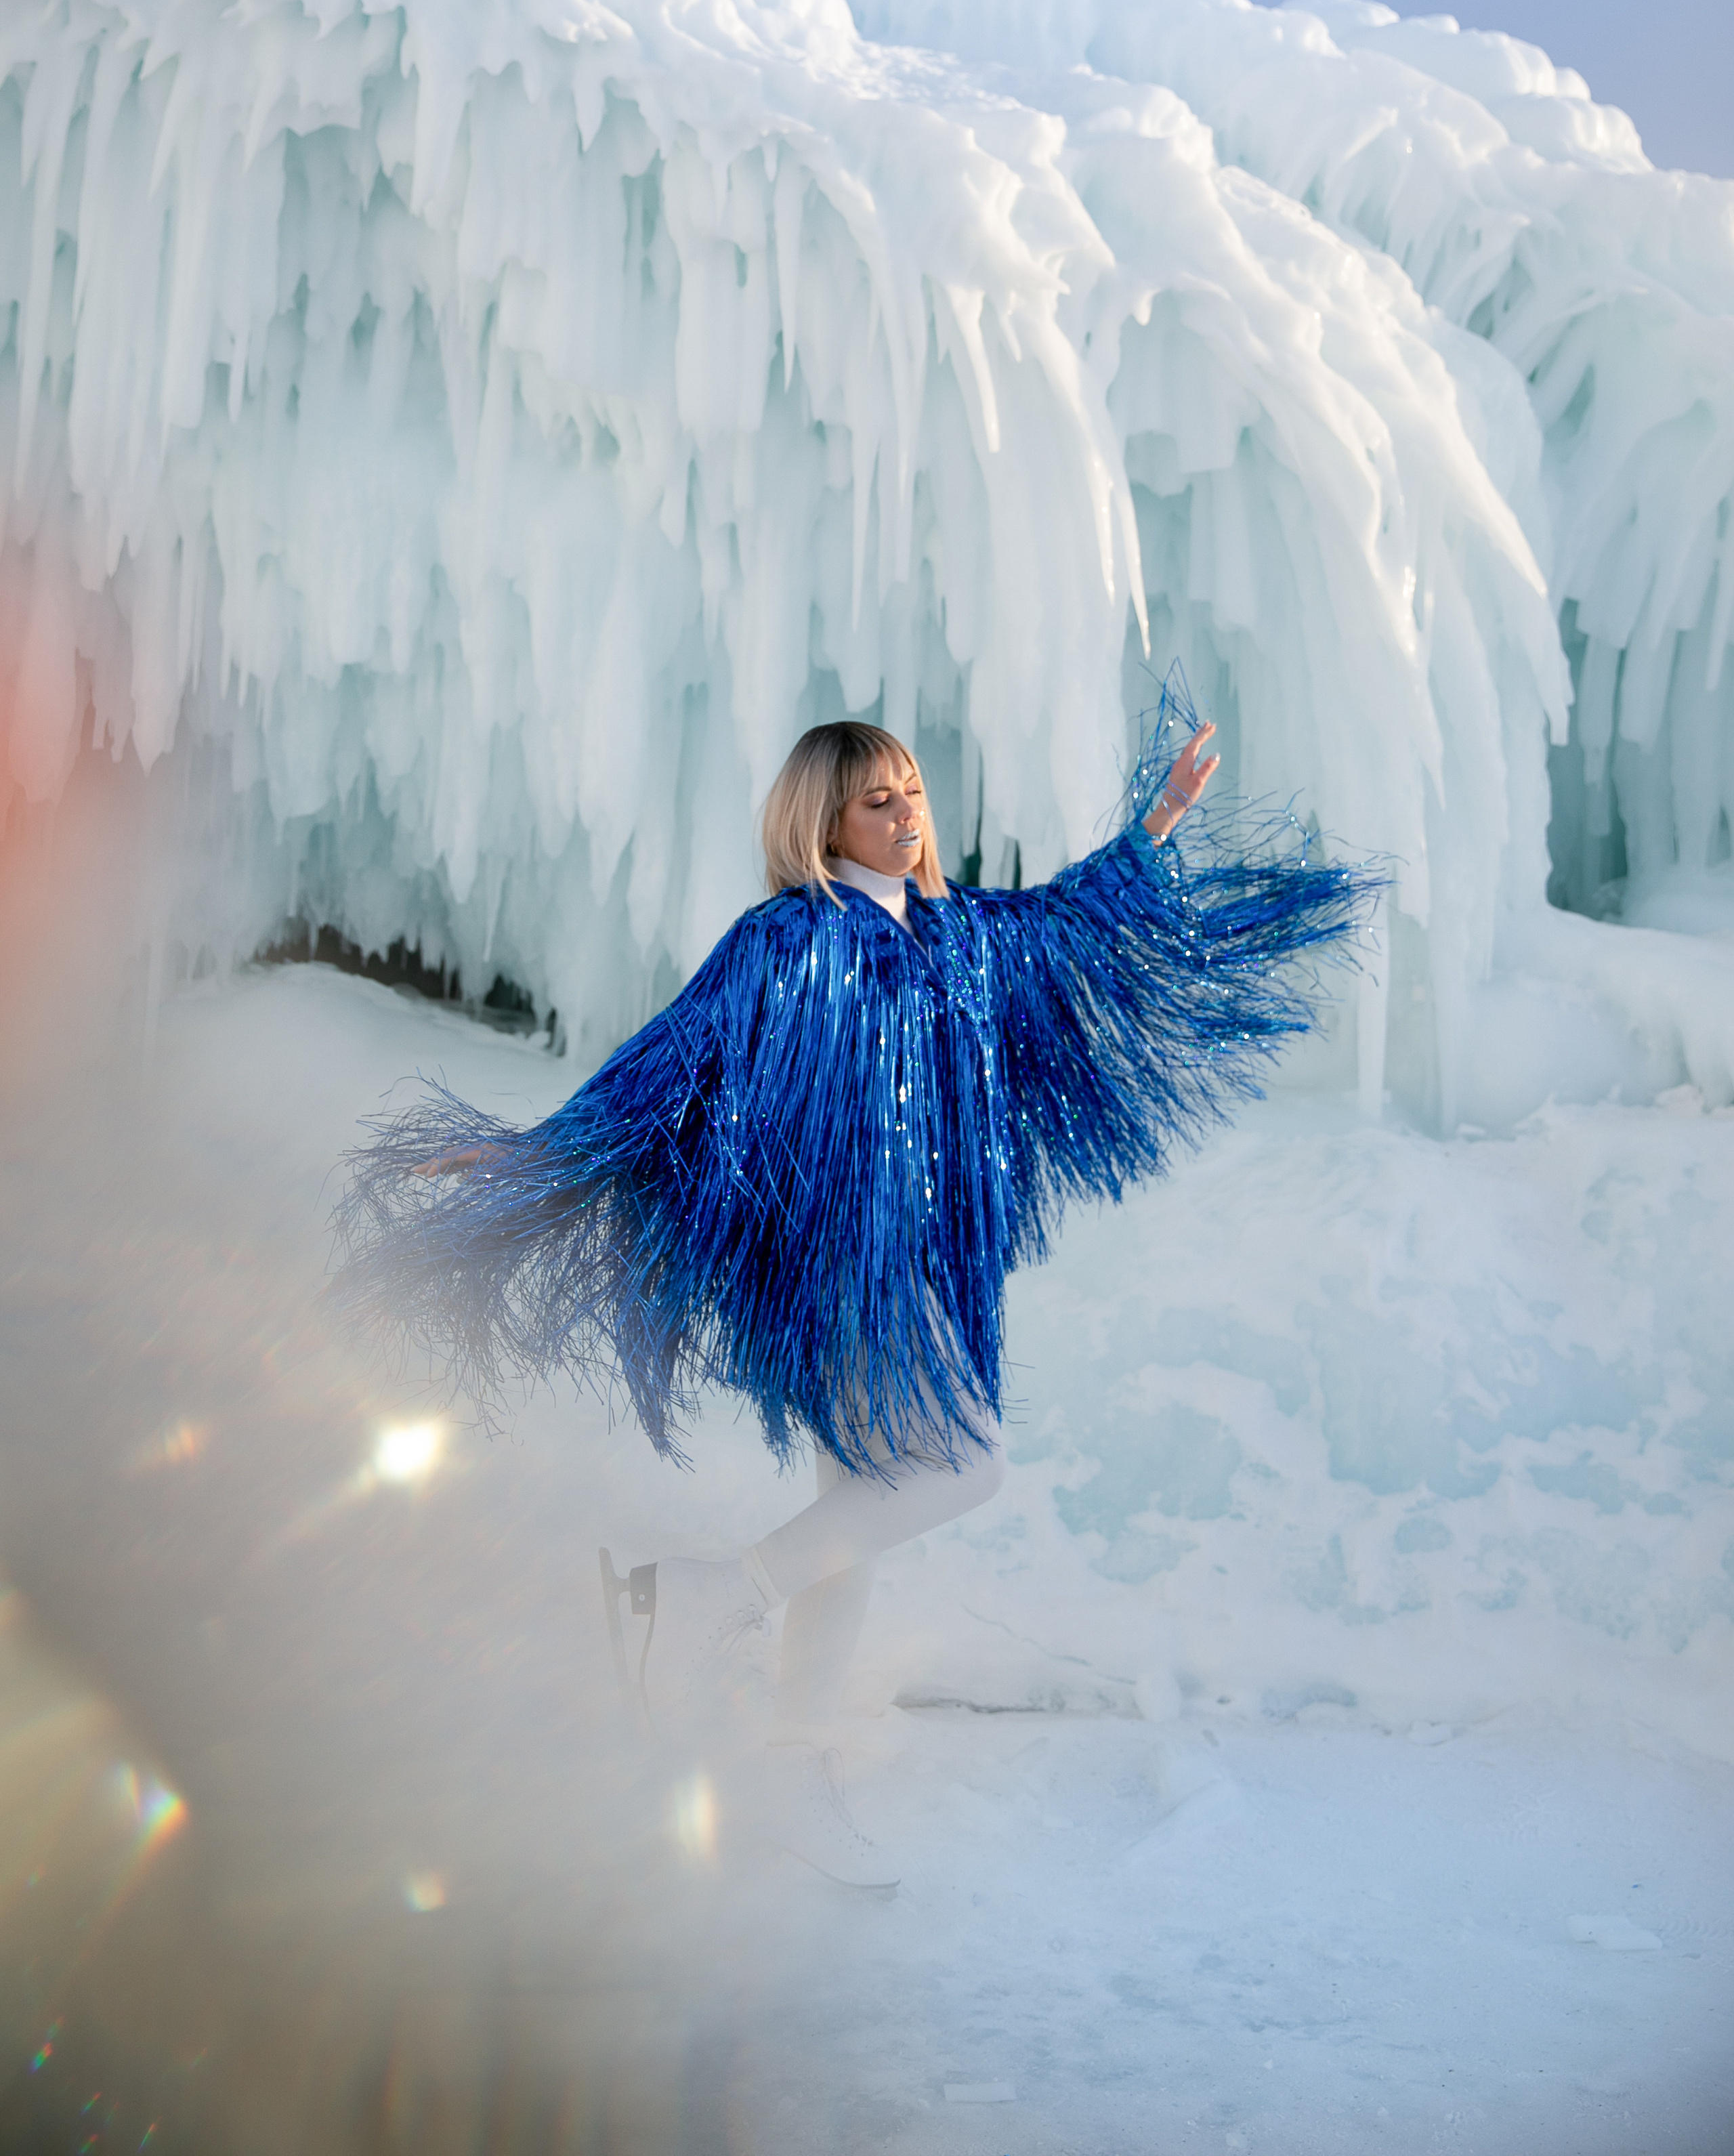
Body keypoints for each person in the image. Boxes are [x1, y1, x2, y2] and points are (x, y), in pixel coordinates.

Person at [333, 687, 1375, 1890]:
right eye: (876, 802)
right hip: (836, 1269)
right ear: (818, 826)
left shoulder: (961, 936)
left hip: (925, 1264)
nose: (907, 816)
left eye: (914, 793)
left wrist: (1152, 836)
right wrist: (527, 1153)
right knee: (965, 1464)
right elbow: (666, 1063)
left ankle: (788, 1763)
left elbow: (1073, 926)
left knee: (862, 1520)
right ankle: (707, 1598)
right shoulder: (785, 939)